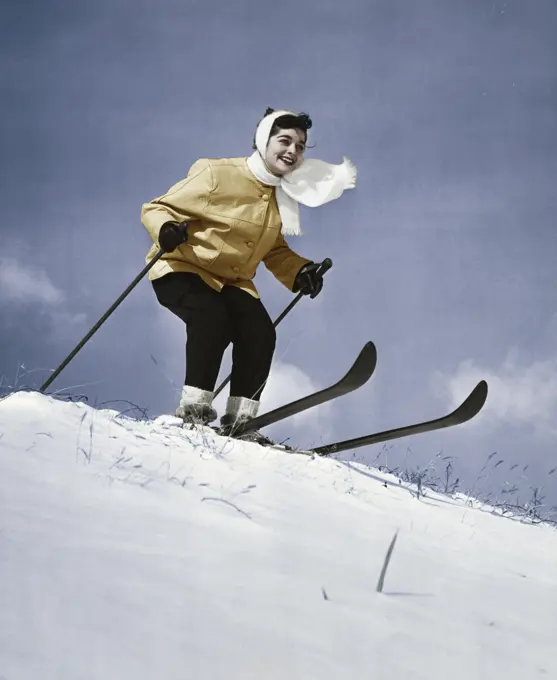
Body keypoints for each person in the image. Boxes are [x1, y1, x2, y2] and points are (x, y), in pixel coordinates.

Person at [141, 107, 356, 438]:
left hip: (232, 281)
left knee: (260, 333)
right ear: (263, 141)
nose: (293, 151)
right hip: (183, 266)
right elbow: (158, 207)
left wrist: (300, 272)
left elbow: (273, 249)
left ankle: (242, 422)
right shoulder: (216, 173)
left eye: (300, 145)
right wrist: (167, 228)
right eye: (284, 141)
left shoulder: (278, 198)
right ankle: (193, 414)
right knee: (212, 318)